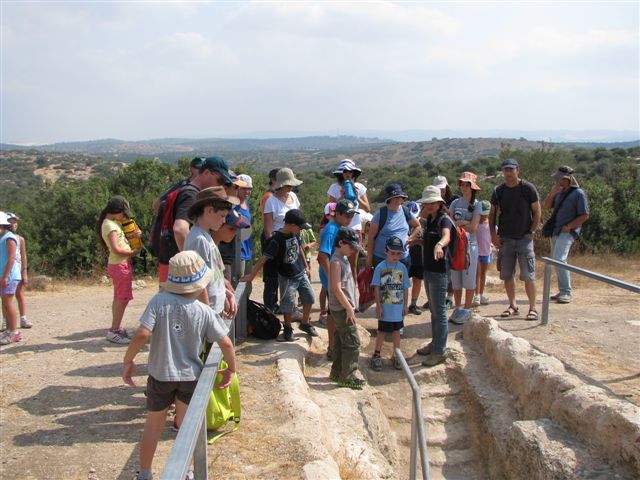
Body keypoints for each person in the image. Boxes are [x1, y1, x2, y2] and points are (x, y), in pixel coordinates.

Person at [122, 251, 237, 480]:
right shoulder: (203, 311)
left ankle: (145, 473)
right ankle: (189, 471)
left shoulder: (158, 301)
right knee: (187, 428)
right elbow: (225, 342)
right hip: (189, 377)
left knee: (153, 426)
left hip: (160, 376)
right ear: (200, 283)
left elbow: (142, 333)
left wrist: (128, 361)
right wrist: (231, 370)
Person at [241, 209, 317, 341]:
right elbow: (263, 258)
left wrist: (306, 266)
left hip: (300, 273)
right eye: (300, 227)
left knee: (309, 297)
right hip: (287, 277)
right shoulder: (276, 240)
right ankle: (288, 328)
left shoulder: (295, 234)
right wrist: (251, 276)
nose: (301, 230)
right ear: (292, 225)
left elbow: (299, 248)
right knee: (287, 303)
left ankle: (305, 323)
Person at [489, 158, 541, 321]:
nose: (508, 173)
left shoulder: (527, 188)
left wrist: (532, 231)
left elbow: (537, 211)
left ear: (518, 170)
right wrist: (493, 234)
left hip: (524, 238)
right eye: (506, 170)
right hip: (506, 238)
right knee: (507, 274)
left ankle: (532, 308)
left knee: (528, 275)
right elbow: (492, 214)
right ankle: (512, 305)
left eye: (511, 169)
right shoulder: (498, 191)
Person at [183, 187, 241, 316]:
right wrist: (208, 314)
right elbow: (199, 282)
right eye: (222, 216)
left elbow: (215, 274)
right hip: (207, 312)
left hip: (214, 309)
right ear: (209, 211)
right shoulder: (199, 240)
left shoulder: (206, 237)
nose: (224, 221)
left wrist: (226, 293)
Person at [415, 186, 453, 367]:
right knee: (434, 311)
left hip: (439, 272)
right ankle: (435, 343)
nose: (428, 205)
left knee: (440, 312)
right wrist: (416, 241)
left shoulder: (444, 220)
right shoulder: (430, 219)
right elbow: (428, 240)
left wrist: (439, 245)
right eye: (426, 203)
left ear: (439, 203)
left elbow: (446, 237)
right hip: (429, 269)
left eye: (431, 202)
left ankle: (439, 350)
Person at [317, 200, 359, 358]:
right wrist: (333, 280)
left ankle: (335, 346)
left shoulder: (340, 227)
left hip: (335, 278)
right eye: (347, 215)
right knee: (334, 313)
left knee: (335, 312)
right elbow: (322, 256)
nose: (349, 219)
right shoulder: (331, 229)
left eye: (351, 216)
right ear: (338, 214)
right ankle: (332, 347)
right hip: (332, 279)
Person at [96, 196, 141, 344]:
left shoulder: (113, 223)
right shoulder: (109, 225)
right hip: (120, 264)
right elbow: (116, 248)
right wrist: (132, 253)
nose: (124, 216)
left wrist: (134, 236)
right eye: (123, 213)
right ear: (115, 211)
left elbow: (122, 240)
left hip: (119, 264)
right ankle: (114, 330)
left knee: (120, 298)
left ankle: (116, 327)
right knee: (122, 299)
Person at [543, 166, 589, 304]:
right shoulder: (560, 192)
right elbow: (547, 205)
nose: (557, 181)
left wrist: (569, 227)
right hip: (556, 230)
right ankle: (562, 290)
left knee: (559, 260)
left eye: (559, 178)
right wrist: (552, 194)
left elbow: (585, 215)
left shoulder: (579, 194)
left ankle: (566, 292)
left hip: (567, 232)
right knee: (557, 261)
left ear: (566, 179)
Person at [328, 227, 367, 389]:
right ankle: (348, 376)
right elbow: (336, 289)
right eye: (351, 247)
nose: (353, 250)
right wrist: (349, 308)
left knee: (340, 340)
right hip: (342, 309)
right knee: (352, 343)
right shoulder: (336, 262)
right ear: (341, 243)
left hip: (342, 308)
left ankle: (337, 372)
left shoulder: (343, 258)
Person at [261, 168, 303, 312]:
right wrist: (272, 249)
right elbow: (267, 228)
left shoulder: (293, 197)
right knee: (272, 279)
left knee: (290, 276)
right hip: (277, 242)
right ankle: (270, 309)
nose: (291, 187)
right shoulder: (271, 201)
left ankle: (289, 308)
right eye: (288, 184)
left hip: (292, 241)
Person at [370, 236, 410, 371]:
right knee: (381, 331)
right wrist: (379, 306)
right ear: (385, 251)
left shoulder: (402, 267)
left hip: (397, 309)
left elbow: (405, 287)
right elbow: (376, 288)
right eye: (392, 253)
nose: (396, 256)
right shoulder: (380, 268)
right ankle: (376, 354)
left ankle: (396, 354)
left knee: (396, 331)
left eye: (398, 253)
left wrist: (405, 305)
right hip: (385, 308)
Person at [448, 172, 483, 324]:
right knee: (456, 279)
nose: (463, 187)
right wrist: (462, 223)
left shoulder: (477, 205)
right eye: (461, 184)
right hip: (455, 244)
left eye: (466, 184)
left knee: (469, 278)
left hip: (470, 245)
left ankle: (467, 309)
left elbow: (474, 227)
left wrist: (461, 223)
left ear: (472, 186)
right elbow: (449, 222)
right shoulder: (455, 203)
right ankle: (458, 307)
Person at [328, 159, 371, 282]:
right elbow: (330, 210)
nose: (348, 173)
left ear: (354, 173)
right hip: (339, 229)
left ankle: (353, 288)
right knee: (338, 260)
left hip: (355, 229)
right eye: (345, 171)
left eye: (350, 171)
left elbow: (367, 209)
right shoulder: (334, 188)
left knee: (353, 264)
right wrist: (341, 197)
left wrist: (358, 197)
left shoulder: (360, 187)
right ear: (341, 172)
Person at [366, 183, 421, 272]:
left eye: (399, 197)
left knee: (401, 285)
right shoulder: (380, 214)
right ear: (389, 199)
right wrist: (369, 258)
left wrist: (411, 238)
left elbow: (418, 226)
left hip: (402, 258)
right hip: (383, 258)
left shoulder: (406, 211)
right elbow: (371, 237)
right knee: (385, 284)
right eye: (394, 197)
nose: (397, 199)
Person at [0, 211, 23, 345]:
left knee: (8, 304)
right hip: (3, 275)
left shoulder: (9, 238)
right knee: (4, 303)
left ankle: (14, 332)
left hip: (9, 276)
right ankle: (9, 330)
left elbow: (11, 258)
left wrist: (5, 276)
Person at [6, 213, 31, 328]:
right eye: (11, 221)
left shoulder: (20, 239)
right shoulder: (5, 238)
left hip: (18, 270)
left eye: (15, 222)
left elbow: (23, 255)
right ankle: (6, 321)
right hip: (7, 271)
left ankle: (23, 318)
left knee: (20, 295)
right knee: (6, 298)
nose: (14, 224)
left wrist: (24, 272)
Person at [317, 202, 336, 324]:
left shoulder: (333, 227)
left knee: (328, 288)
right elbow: (323, 250)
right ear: (327, 215)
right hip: (327, 262)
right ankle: (324, 312)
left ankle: (327, 312)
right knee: (327, 288)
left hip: (331, 262)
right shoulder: (326, 229)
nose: (333, 216)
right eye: (331, 214)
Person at [405, 201, 425, 315]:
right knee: (404, 282)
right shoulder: (403, 222)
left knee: (417, 281)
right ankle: (402, 304)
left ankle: (413, 304)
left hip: (419, 258)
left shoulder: (424, 223)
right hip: (406, 257)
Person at [473, 200, 493, 306]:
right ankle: (476, 295)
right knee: (478, 273)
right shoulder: (475, 224)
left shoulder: (491, 225)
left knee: (483, 273)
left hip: (486, 252)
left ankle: (481, 294)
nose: (483, 216)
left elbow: (492, 237)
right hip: (477, 252)